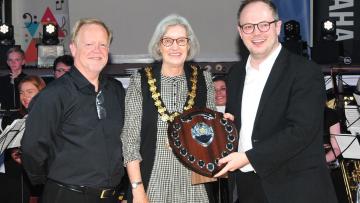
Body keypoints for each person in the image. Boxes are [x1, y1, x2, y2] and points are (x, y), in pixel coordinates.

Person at [214, 0, 337, 203]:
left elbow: (301, 130)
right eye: (248, 26)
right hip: (248, 189)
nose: (256, 33)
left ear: (277, 26)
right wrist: (226, 126)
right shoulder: (235, 74)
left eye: (264, 24)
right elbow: (242, 127)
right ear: (240, 31)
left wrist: (249, 157)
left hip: (296, 190)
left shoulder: (305, 71)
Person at [21, 18, 126, 203]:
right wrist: (53, 183)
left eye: (103, 44)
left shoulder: (116, 91)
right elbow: (32, 149)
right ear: (74, 49)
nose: (97, 50)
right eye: (89, 44)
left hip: (111, 197)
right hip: (66, 196)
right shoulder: (53, 95)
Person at [121, 14, 216, 203]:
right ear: (159, 45)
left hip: (194, 184)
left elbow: (210, 136)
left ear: (189, 46)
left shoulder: (204, 80)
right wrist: (138, 190)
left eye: (181, 41)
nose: (175, 46)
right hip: (152, 182)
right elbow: (129, 140)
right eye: (168, 41)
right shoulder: (139, 81)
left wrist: (222, 128)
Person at [0, 75, 46, 203]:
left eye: (29, 92)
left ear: (41, 92)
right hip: (15, 178)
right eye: (21, 92)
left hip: (43, 177)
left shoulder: (50, 116)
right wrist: (14, 152)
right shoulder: (15, 117)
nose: (24, 97)